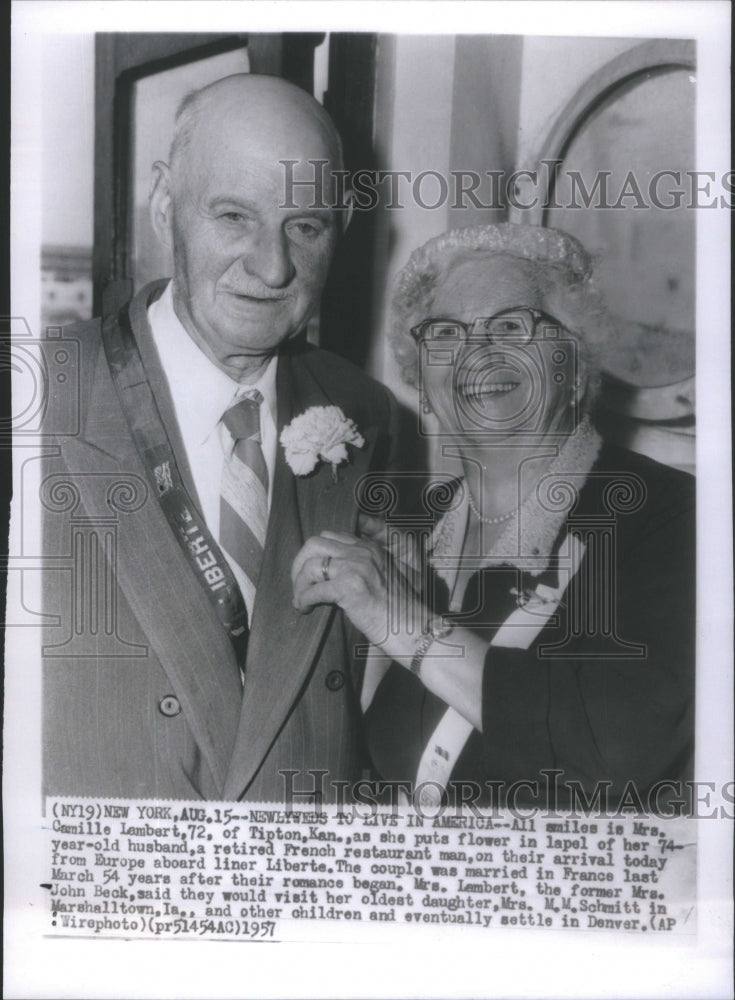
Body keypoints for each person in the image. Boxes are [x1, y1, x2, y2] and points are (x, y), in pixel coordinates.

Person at [42, 74, 396, 802]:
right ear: (165, 203)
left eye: (305, 227)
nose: (272, 267)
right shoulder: (40, 394)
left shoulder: (365, 412)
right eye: (233, 216)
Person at [292, 223, 695, 811]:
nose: (478, 354)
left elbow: (621, 750)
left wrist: (403, 621)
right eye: (447, 334)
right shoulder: (421, 536)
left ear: (575, 366)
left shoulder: (667, 517)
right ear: (424, 385)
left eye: (512, 326)